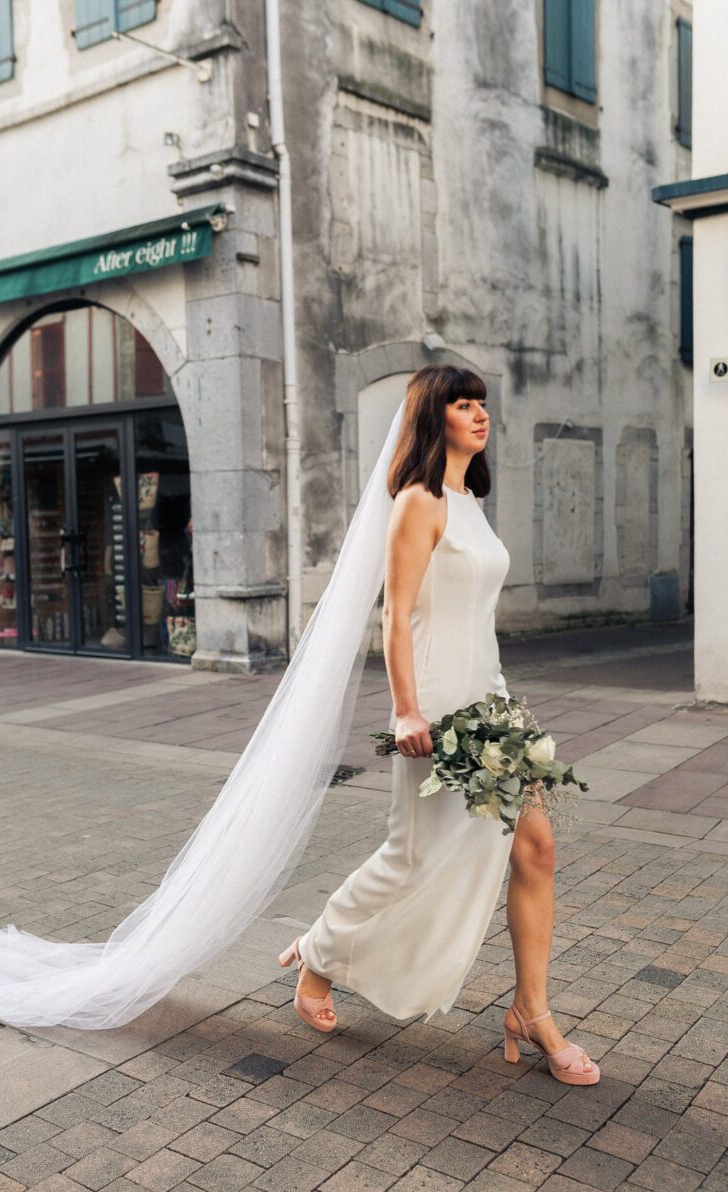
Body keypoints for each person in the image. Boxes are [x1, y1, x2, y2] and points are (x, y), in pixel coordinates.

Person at [279, 365, 600, 1087]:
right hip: (434, 703)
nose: (479, 413)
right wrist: (405, 708)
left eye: (482, 402)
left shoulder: (467, 501)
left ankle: (531, 1012)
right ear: (435, 418)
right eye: (463, 403)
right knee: (411, 856)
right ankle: (320, 956)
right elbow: (396, 615)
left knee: (537, 849)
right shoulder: (418, 503)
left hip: (490, 699)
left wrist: (502, 700)